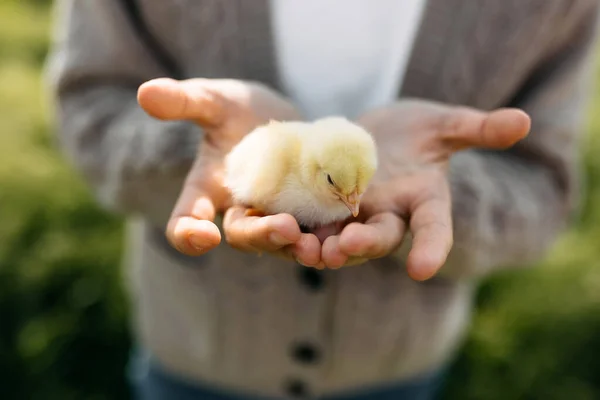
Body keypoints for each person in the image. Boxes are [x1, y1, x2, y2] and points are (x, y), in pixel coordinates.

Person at [45, 1, 599, 399]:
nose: (354, 202)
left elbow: (543, 187)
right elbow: (90, 108)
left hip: (397, 372)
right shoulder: (282, 165)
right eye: (341, 189)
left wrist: (442, 197)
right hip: (192, 359)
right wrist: (189, 150)